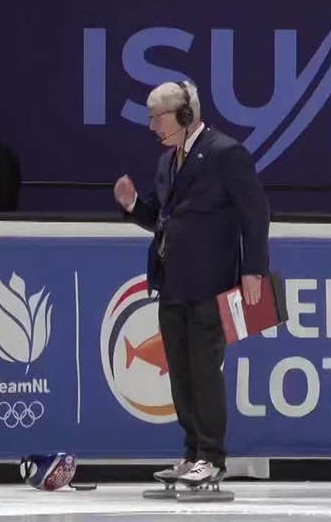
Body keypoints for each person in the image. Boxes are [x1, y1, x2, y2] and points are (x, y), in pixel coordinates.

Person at [112, 80, 271, 488]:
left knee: (204, 371)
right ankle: (192, 453)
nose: (151, 127)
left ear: (185, 114)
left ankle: (213, 457)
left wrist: (254, 269)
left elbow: (255, 212)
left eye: (157, 117)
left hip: (211, 282)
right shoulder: (167, 162)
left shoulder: (225, 153)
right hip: (172, 284)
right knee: (180, 372)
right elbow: (160, 219)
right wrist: (133, 206)